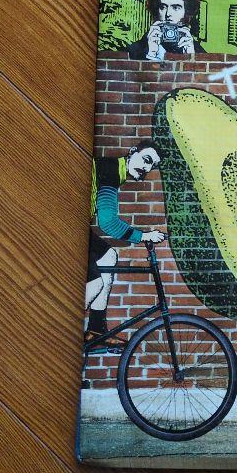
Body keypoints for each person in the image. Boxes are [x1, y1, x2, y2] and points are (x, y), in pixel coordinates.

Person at [85, 141, 166, 350]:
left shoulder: (115, 172)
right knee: (94, 284)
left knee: (108, 257)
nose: (146, 168)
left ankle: (95, 332)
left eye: (151, 166)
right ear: (132, 152)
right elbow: (108, 223)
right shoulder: (110, 170)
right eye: (146, 160)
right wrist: (144, 236)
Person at [127, 0, 201, 60]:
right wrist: (151, 54)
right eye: (163, 7)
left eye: (176, 8)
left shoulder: (193, 47)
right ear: (156, 10)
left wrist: (191, 56)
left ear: (186, 12)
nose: (168, 14)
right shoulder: (137, 48)